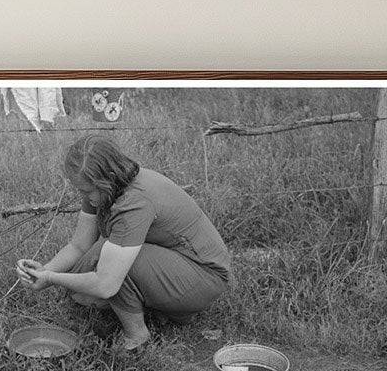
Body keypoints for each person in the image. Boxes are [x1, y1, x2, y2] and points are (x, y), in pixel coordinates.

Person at [16, 135, 230, 350]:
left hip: (204, 277)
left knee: (109, 270)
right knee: (80, 291)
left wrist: (53, 278)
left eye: (86, 191)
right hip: (174, 264)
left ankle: (136, 336)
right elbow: (79, 246)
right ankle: (161, 309)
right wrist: (45, 271)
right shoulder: (105, 188)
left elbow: (106, 284)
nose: (82, 195)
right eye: (79, 189)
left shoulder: (133, 203)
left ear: (106, 178)